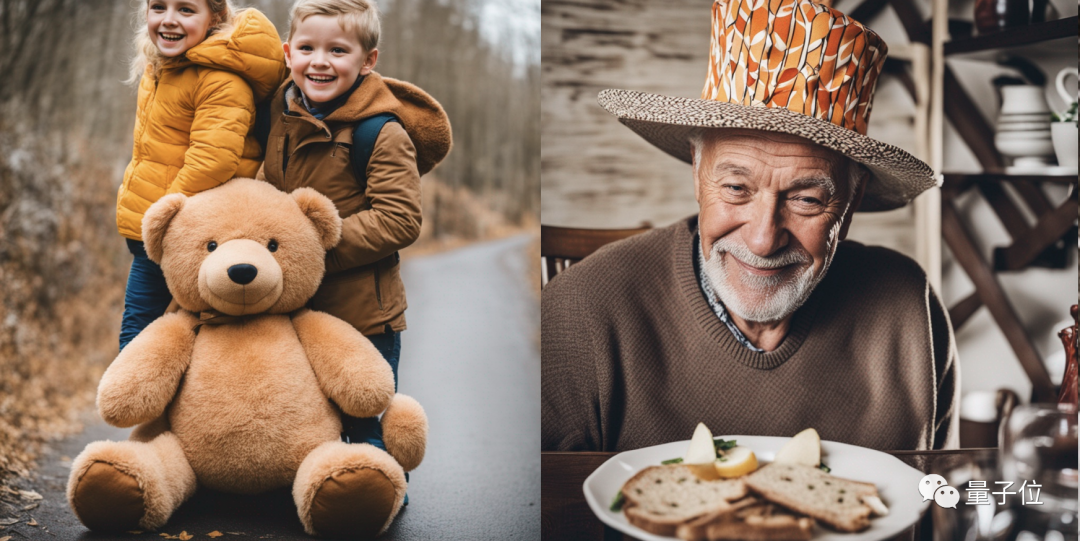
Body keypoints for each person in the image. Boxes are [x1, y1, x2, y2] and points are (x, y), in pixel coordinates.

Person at [542, 0, 960, 452]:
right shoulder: (579, 310)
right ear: (698, 175)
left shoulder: (907, 305)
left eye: (806, 199)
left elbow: (940, 505)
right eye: (737, 188)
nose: (763, 240)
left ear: (851, 200)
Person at [256, 0, 451, 481]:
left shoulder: (380, 132)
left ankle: (375, 488)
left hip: (362, 312)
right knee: (303, 413)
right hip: (291, 310)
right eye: (307, 47)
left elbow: (399, 219)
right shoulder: (278, 112)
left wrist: (309, 251)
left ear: (368, 61)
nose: (319, 61)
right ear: (288, 52)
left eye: (337, 50)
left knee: (362, 420)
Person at [116, 0, 288, 351]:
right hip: (154, 236)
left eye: (185, 10)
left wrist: (163, 220)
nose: (168, 20)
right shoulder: (161, 66)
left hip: (188, 236)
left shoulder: (219, 78)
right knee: (140, 337)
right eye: (159, 7)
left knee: (158, 342)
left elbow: (212, 162)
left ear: (216, 17)